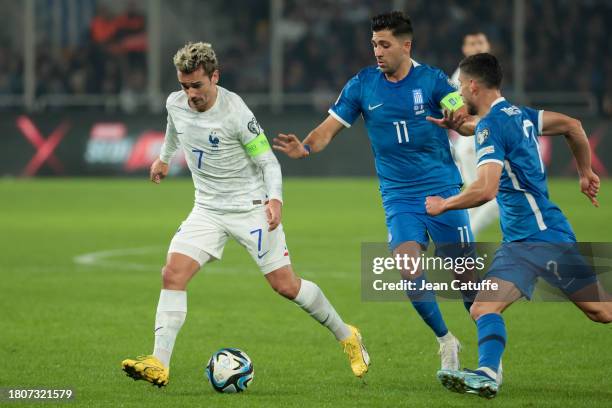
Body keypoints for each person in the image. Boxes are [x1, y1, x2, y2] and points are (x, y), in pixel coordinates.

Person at [121, 42, 369, 387]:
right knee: (172, 274)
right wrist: (164, 158)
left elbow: (267, 161)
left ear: (215, 77)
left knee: (285, 285)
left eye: (197, 85)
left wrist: (275, 200)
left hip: (250, 209)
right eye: (184, 85)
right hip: (207, 209)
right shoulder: (175, 103)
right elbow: (174, 128)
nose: (190, 93)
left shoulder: (235, 112)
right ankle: (159, 363)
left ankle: (347, 336)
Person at [273, 11, 477, 372]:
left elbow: (461, 114)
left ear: (405, 45)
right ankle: (446, 341)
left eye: (384, 45)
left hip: (443, 191)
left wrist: (458, 120)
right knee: (407, 267)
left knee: (467, 281)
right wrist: (304, 148)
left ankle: (491, 357)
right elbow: (327, 129)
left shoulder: (432, 81)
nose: (377, 52)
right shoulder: (362, 85)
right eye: (374, 45)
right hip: (399, 197)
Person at [425, 52, 611, 398]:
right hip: (523, 241)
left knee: (601, 311)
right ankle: (487, 374)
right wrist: (585, 172)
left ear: (473, 85)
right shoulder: (518, 114)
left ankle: (487, 371)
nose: (459, 93)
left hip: (543, 237)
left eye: (460, 86)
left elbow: (485, 189)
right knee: (483, 307)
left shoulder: (493, 125)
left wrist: (444, 204)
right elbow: (573, 126)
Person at [450, 31, 499, 237]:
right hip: (473, 143)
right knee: (495, 196)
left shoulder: (486, 74)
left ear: (488, 45)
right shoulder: (461, 76)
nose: (477, 46)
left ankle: (460, 240)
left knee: (478, 198)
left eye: (481, 42)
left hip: (483, 141)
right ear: (465, 49)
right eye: (472, 43)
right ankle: (464, 239)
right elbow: (454, 109)